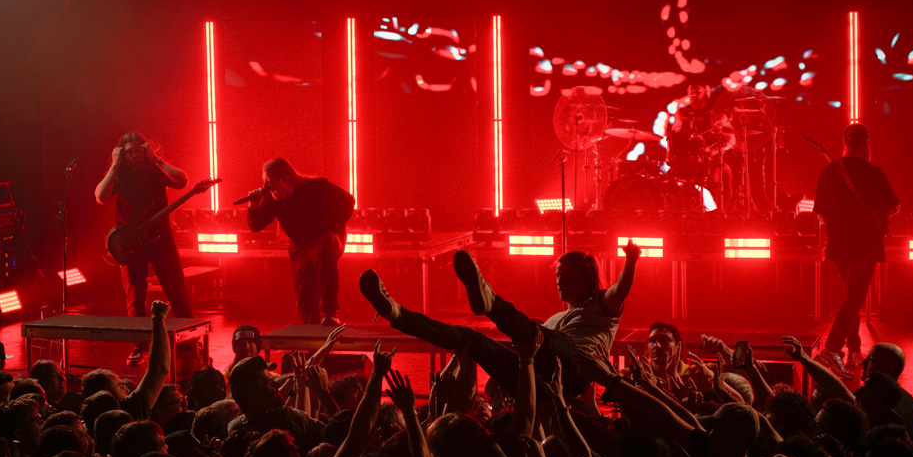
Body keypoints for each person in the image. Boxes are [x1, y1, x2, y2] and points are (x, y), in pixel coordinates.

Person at [360, 243, 640, 402]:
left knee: (535, 333)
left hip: (575, 368)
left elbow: (621, 287)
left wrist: (631, 258)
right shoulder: (554, 319)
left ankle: (490, 301)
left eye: (565, 275)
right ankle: (398, 314)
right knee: (471, 337)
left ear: (586, 278)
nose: (558, 281)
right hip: (539, 379)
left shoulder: (602, 307)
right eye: (556, 275)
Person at [95, 132, 193, 365]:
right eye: (128, 152)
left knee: (177, 290)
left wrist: (156, 158)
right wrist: (114, 164)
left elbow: (182, 181)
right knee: (135, 296)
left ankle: (189, 342)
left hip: (161, 240)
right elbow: (100, 196)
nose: (134, 155)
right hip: (131, 243)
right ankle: (139, 346)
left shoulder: (156, 171)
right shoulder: (120, 175)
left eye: (138, 150)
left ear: (145, 149)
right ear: (122, 154)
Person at [812, 123, 899, 378]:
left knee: (850, 298)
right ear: (866, 144)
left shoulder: (828, 172)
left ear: (844, 142)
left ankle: (855, 349)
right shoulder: (874, 172)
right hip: (866, 244)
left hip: (838, 244)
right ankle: (833, 347)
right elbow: (893, 206)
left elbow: (820, 212)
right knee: (854, 299)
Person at [245, 158, 355, 326]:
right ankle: (310, 331)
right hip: (300, 244)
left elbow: (348, 201)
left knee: (323, 254)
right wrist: (253, 206)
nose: (271, 191)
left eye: (272, 185)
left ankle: (331, 312)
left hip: (323, 238)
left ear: (286, 179)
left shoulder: (316, 187)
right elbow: (257, 225)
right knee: (304, 291)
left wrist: (333, 229)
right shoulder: (274, 198)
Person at [665, 80, 730, 208]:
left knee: (726, 174)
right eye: (690, 91)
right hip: (685, 160)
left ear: (706, 91)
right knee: (668, 181)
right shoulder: (682, 113)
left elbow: (730, 139)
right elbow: (672, 137)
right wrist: (670, 155)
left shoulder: (716, 114)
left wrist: (713, 151)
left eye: (697, 91)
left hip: (711, 160)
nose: (693, 94)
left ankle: (723, 212)